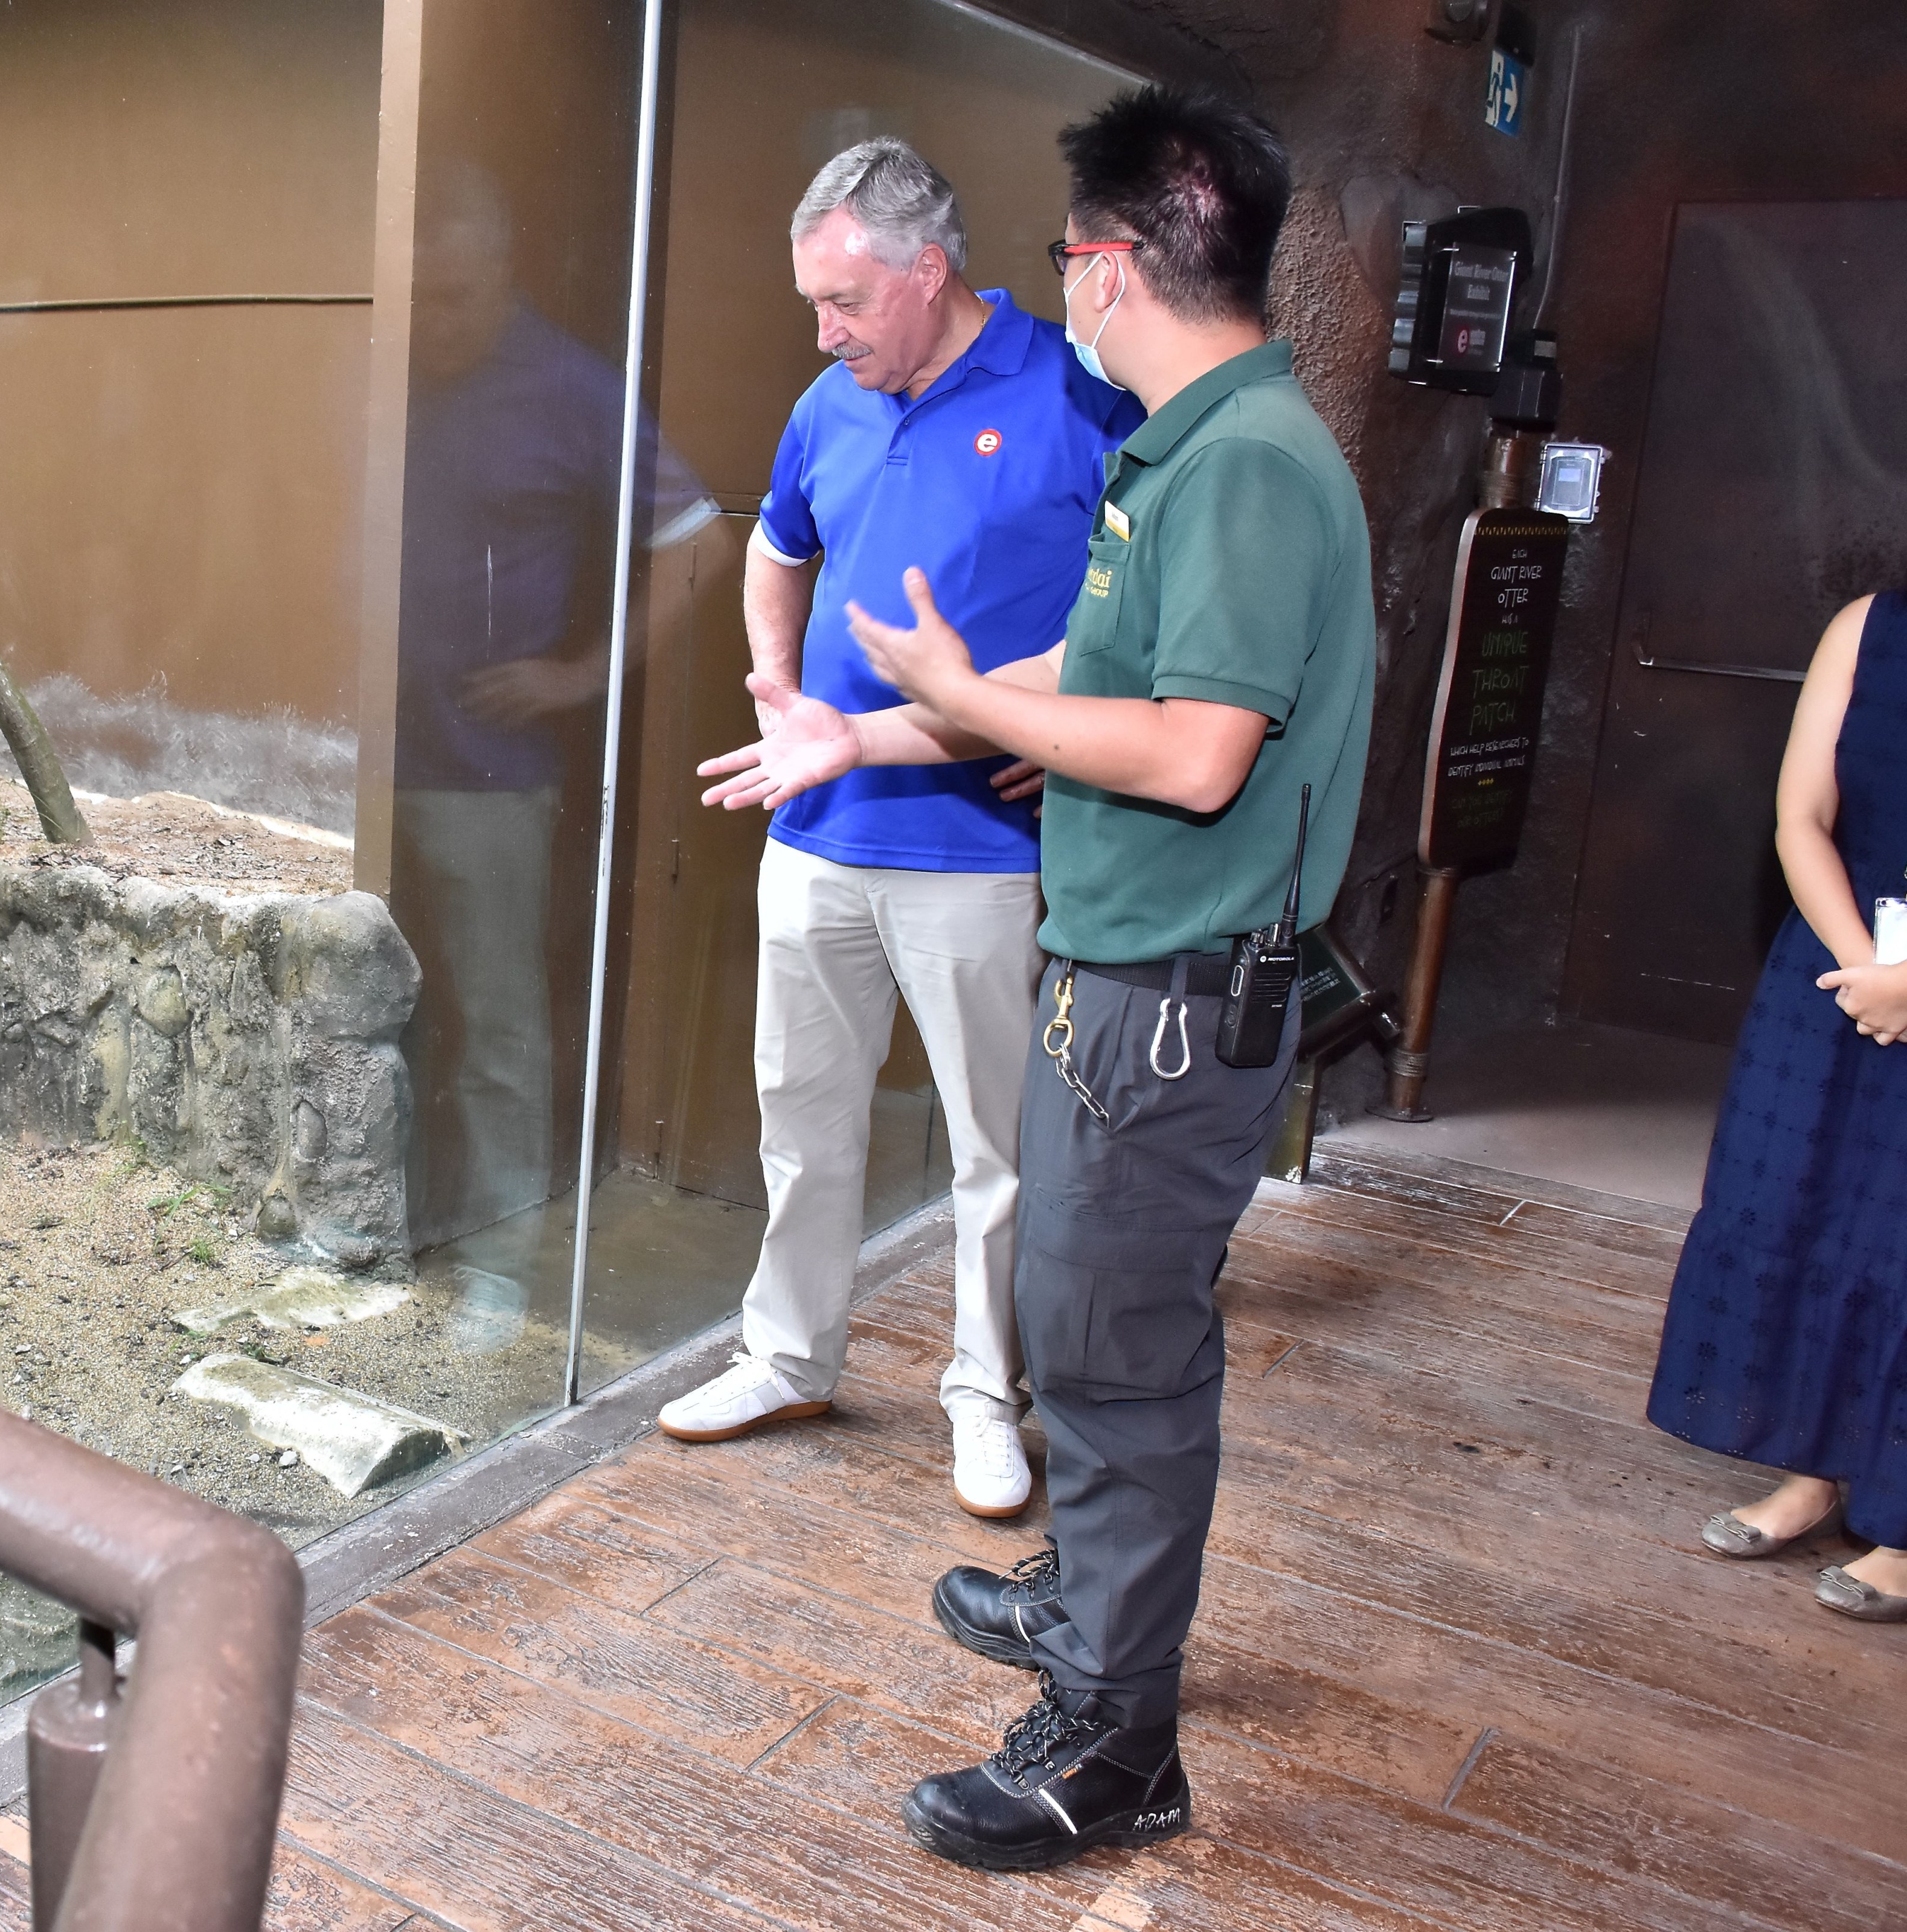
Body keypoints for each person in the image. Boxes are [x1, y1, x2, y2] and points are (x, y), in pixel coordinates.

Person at [749, 89, 1371, 1869]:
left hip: (1176, 991)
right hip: (1133, 971)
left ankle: (1114, 1745)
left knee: (1116, 1366)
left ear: (1109, 265)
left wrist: (979, 696)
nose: (1064, 290)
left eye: (1067, 257)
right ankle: (1087, 1610)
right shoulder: (1197, 443)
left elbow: (1192, 755)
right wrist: (969, 707)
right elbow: (1139, 705)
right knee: (1095, 1344)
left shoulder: (1243, 461)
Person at [658, 138, 1140, 1526]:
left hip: (981, 860)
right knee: (801, 1124)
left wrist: (1076, 737)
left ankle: (987, 1396)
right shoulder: (830, 402)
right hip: (816, 831)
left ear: (929, 273)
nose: (826, 332)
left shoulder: (1077, 395)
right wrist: (783, 686)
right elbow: (776, 545)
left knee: (998, 1148)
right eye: (816, 305)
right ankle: (788, 1354)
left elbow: (1146, 607)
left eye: (846, 303)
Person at [390, 160, 723, 1257]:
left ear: (502, 271)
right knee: (378, 1021)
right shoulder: (384, 358)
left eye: (455, 298)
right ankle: (395, 1229)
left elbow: (697, 545)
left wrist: (581, 674)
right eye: (416, 295)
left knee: (496, 1028)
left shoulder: (572, 387)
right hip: (362, 764)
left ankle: (505, 1261)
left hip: (487, 769)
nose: (432, 324)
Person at [1648, 592, 1907, 1622]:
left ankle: (1901, 1524)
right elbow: (1801, 817)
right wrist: (1865, 966)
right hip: (1835, 973)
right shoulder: (1868, 626)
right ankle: (1814, 1471)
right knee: (1806, 1219)